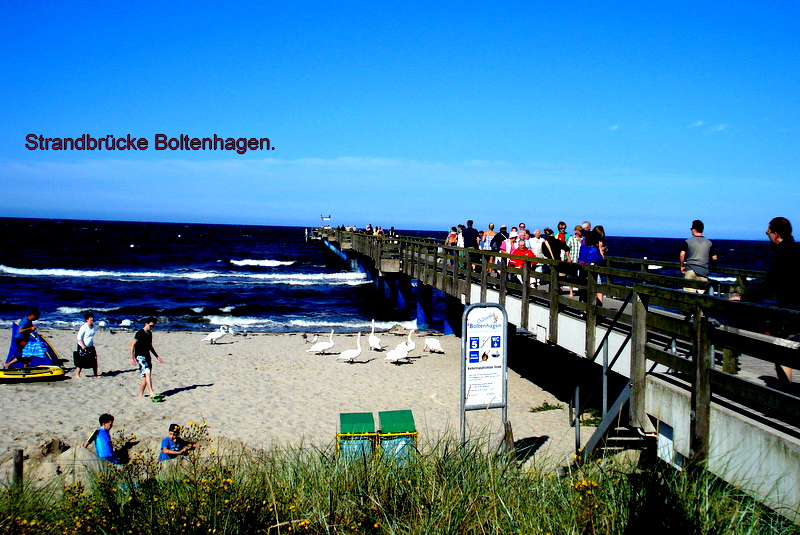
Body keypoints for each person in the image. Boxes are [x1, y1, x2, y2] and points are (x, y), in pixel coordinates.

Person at [731, 217, 800, 389]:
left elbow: (768, 287)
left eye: (768, 232)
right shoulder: (796, 250)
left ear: (776, 234)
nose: (767, 236)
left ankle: (785, 395)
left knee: (782, 352)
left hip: (791, 311)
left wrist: (745, 298)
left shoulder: (784, 254)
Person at [679, 220, 718, 294]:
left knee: (689, 294)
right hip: (703, 271)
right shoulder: (709, 243)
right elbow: (714, 257)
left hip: (690, 270)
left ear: (694, 230)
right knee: (701, 294)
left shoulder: (687, 241)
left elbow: (682, 254)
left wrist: (682, 266)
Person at [130, 317, 164, 398]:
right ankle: (151, 392)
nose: (152, 328)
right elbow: (131, 345)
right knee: (147, 372)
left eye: (153, 326)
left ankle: (140, 394)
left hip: (147, 355)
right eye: (151, 326)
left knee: (145, 377)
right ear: (146, 324)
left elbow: (150, 346)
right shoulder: (140, 333)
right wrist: (132, 358)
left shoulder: (150, 333)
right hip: (140, 356)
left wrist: (157, 356)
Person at [76, 311, 99, 377]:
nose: (92, 319)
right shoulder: (84, 327)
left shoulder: (93, 326)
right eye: (90, 317)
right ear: (87, 319)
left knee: (94, 359)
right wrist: (82, 345)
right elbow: (79, 338)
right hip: (82, 346)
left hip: (90, 346)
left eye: (92, 317)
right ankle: (77, 375)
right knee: (81, 361)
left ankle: (95, 374)